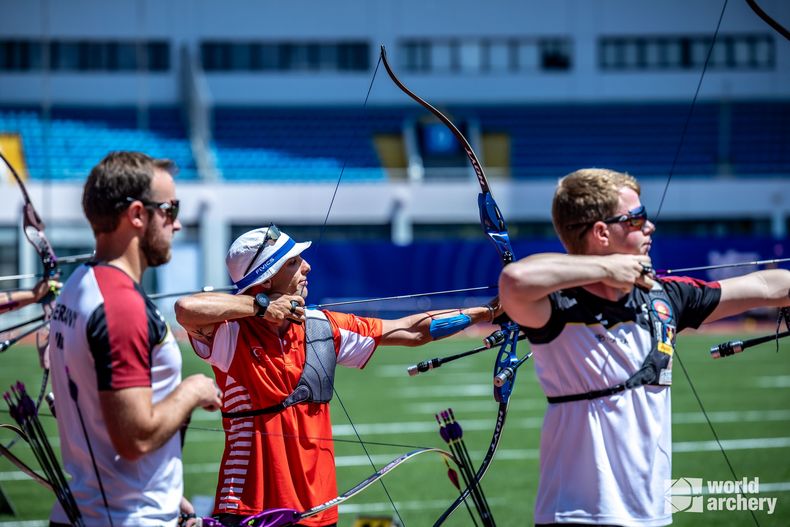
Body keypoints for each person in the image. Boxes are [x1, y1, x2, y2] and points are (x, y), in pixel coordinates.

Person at [498, 168, 790, 526]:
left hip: (651, 514)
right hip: (577, 514)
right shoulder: (556, 307)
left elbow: (767, 284)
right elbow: (514, 280)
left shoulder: (663, 297)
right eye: (637, 219)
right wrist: (606, 269)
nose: (649, 227)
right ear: (602, 232)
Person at [175, 225, 502, 527]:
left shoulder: (320, 326)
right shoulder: (231, 335)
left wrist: (487, 312)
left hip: (319, 506)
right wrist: (261, 307)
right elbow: (187, 308)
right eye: (294, 262)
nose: (307, 267)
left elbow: (410, 331)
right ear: (268, 276)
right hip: (251, 507)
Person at [47, 152, 222, 527]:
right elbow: (135, 439)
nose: (176, 225)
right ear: (138, 214)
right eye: (170, 210)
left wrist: (166, 492)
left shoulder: (79, 284)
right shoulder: (120, 305)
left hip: (100, 508)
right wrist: (194, 390)